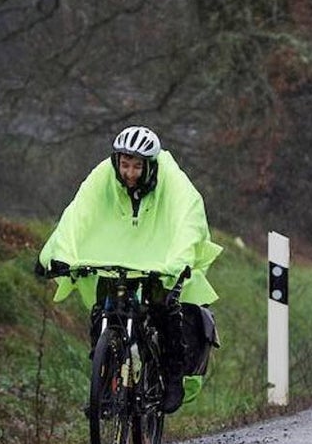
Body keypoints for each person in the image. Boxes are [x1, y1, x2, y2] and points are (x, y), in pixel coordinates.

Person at [36, 126, 222, 413]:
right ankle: (105, 380)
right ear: (116, 162)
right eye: (124, 165)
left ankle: (173, 377)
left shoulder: (172, 179)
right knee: (103, 311)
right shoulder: (103, 176)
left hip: (161, 256)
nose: (130, 173)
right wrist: (59, 255)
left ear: (150, 165)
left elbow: (189, 219)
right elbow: (77, 215)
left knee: (164, 308)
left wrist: (179, 261)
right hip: (114, 255)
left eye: (137, 166)